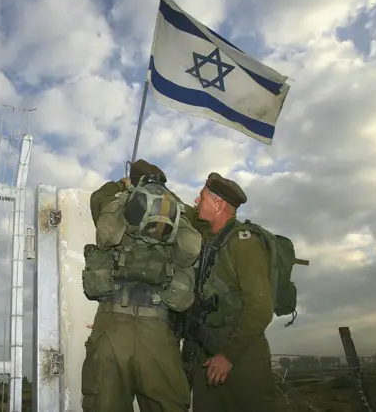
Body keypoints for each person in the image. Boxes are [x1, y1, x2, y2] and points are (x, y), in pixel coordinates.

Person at [80, 159, 202, 412]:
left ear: (135, 181)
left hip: (113, 324)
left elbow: (97, 198)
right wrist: (169, 195)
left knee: (104, 404)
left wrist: (121, 185)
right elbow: (197, 235)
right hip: (157, 328)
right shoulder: (179, 213)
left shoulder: (116, 205)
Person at [183, 172, 280, 412]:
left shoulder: (243, 243)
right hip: (206, 352)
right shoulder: (207, 237)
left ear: (218, 205)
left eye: (202, 197)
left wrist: (228, 356)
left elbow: (260, 308)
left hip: (241, 355)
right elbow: (182, 211)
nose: (196, 201)